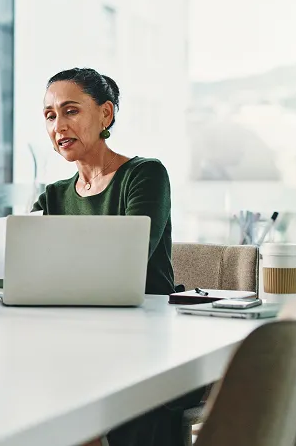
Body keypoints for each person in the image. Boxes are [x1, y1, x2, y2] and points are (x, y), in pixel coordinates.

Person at [32, 67, 197, 446]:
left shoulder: (144, 174)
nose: (59, 125)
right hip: (76, 344)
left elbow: (129, 258)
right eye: (50, 115)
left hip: (144, 345)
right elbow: (23, 270)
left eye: (71, 111)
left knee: (109, 407)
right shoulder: (52, 196)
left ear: (105, 114)